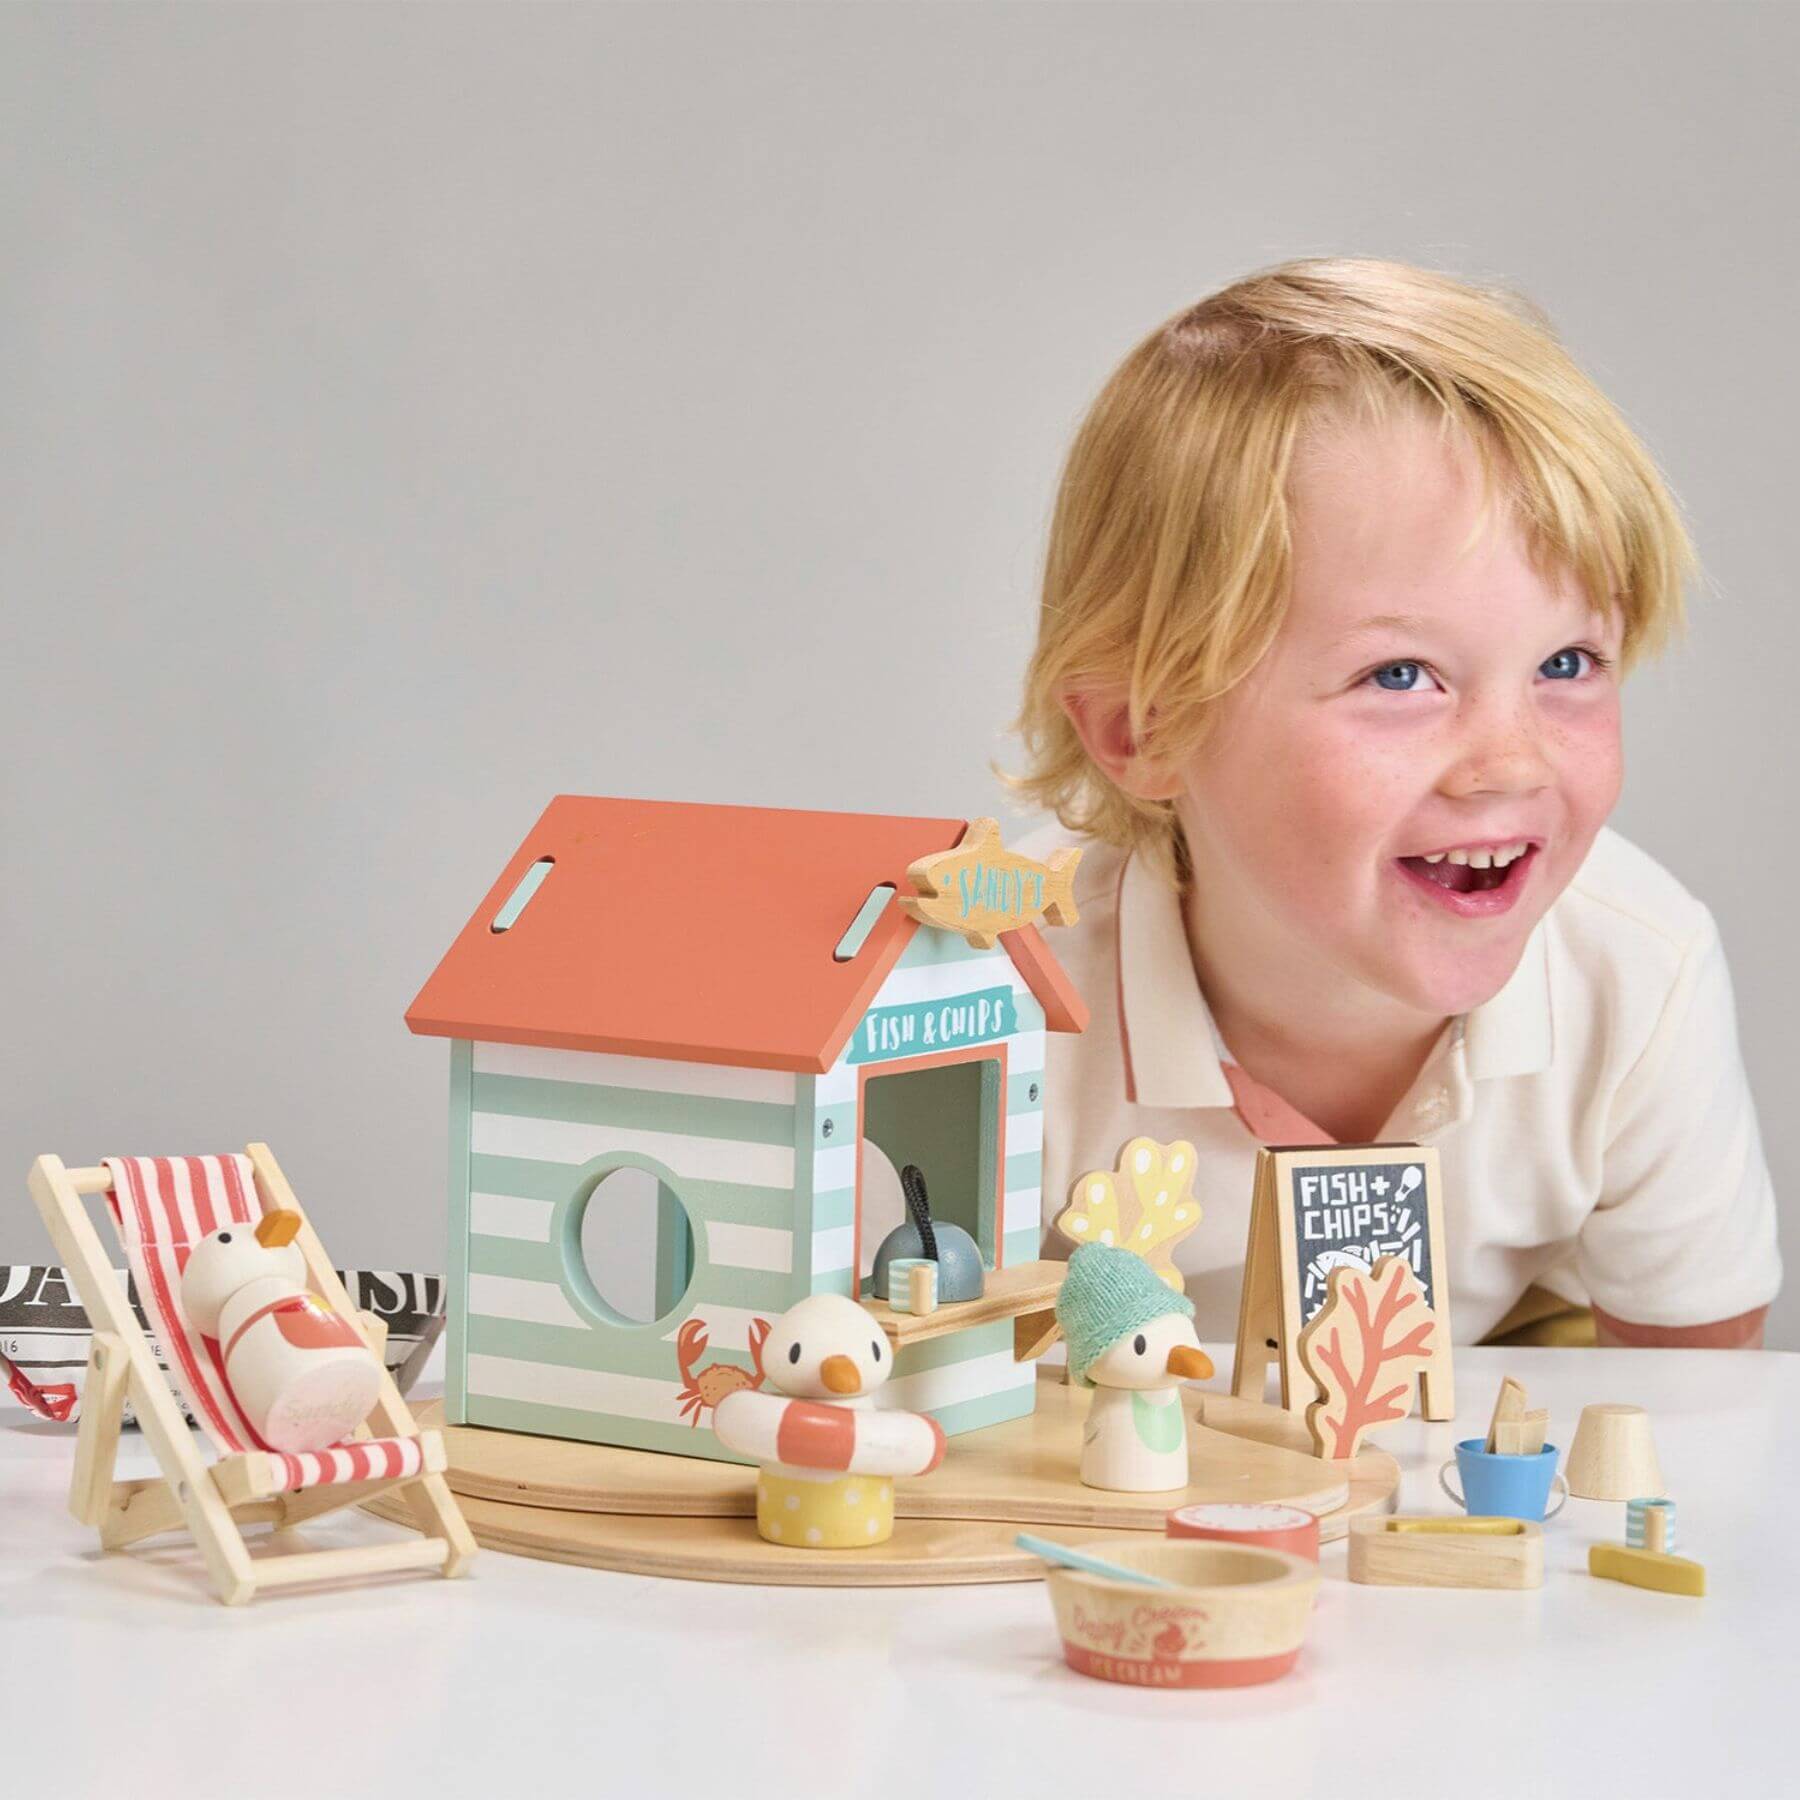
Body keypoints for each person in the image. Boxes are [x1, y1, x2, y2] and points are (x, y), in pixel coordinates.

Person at [1008, 257, 1779, 1347]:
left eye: (1566, 663)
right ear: (1144, 728)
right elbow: (894, 1376)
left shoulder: (1635, 967)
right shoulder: (999, 1003)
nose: (1509, 764)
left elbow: (1699, 1413)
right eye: (1401, 677)